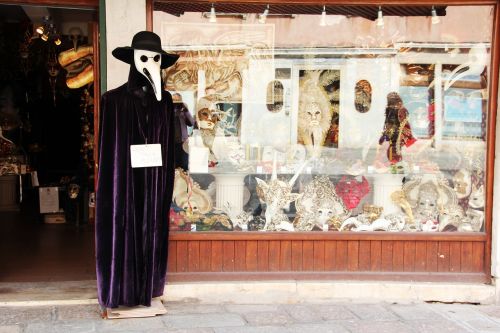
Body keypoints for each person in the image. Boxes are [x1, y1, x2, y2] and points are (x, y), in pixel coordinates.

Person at [95, 31, 179, 312]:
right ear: (132, 60)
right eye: (144, 58)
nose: (150, 64)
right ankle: (123, 290)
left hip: (154, 179)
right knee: (126, 225)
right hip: (125, 181)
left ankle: (149, 288)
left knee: (152, 227)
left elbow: (170, 145)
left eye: (156, 59)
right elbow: (108, 153)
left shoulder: (165, 102)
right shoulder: (113, 101)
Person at [172, 93, 195, 170]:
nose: (175, 102)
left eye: (177, 100)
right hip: (171, 142)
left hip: (183, 142)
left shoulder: (183, 111)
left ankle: (186, 180)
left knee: (185, 164)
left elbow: (192, 123)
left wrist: (185, 110)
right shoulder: (167, 110)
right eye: (173, 100)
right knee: (174, 165)